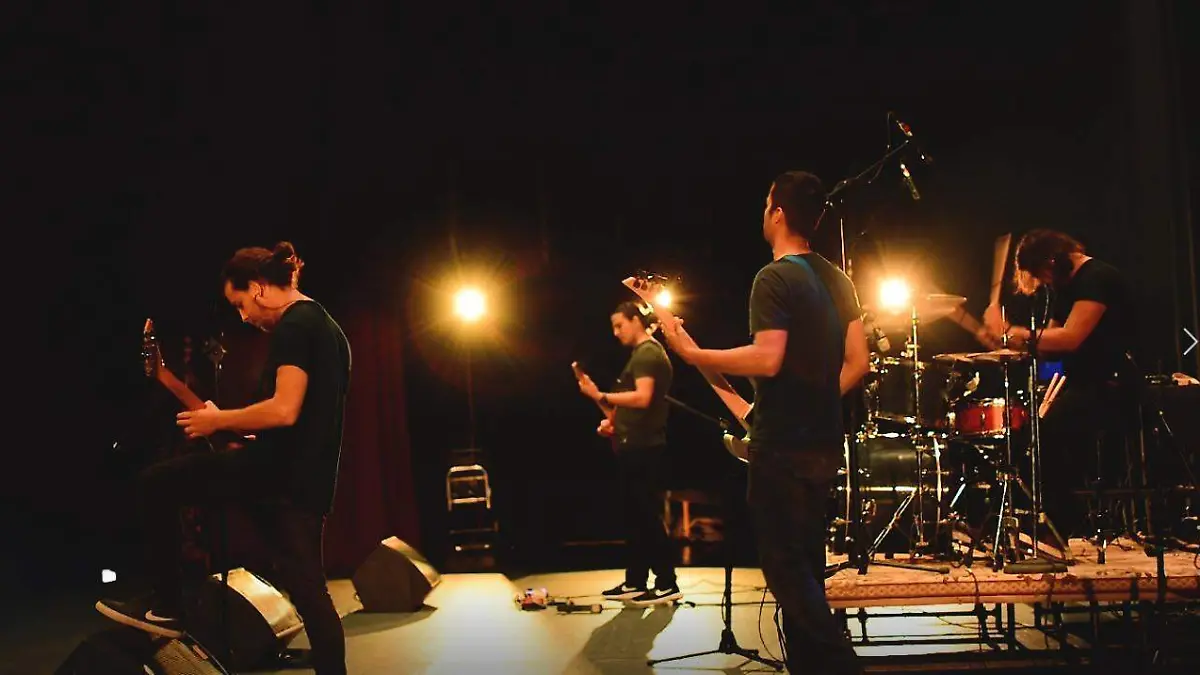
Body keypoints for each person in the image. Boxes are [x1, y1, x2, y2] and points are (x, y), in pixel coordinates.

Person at [97, 242, 352, 675]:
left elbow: (283, 410)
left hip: (275, 475)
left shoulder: (295, 326)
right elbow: (294, 419)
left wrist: (219, 422)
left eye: (240, 304)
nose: (244, 317)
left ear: (257, 288)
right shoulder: (328, 329)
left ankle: (169, 606)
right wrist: (178, 387)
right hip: (305, 482)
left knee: (156, 483)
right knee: (311, 592)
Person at [658, 171, 866, 674]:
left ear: (778, 213)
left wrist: (693, 352)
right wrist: (817, 400)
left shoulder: (772, 278)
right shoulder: (839, 279)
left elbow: (768, 358)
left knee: (787, 573)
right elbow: (858, 362)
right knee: (807, 569)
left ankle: (845, 668)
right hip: (823, 442)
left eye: (766, 203)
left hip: (782, 449)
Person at [982, 228, 1135, 538]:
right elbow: (1048, 345)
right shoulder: (1066, 288)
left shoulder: (1097, 278)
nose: (1044, 282)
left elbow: (1069, 338)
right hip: (1082, 384)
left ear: (1052, 260)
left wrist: (1013, 333)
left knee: (1046, 435)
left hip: (1112, 384)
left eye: (1042, 273)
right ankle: (1031, 523)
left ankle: (1060, 525)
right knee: (1025, 432)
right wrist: (1007, 343)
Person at [575, 301, 680, 606]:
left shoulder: (648, 353)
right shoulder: (640, 355)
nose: (616, 332)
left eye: (620, 325)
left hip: (644, 446)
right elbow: (625, 409)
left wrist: (601, 394)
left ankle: (667, 581)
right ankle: (636, 580)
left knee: (646, 514)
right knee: (635, 516)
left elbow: (644, 398)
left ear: (636, 320)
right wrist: (608, 416)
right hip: (633, 443)